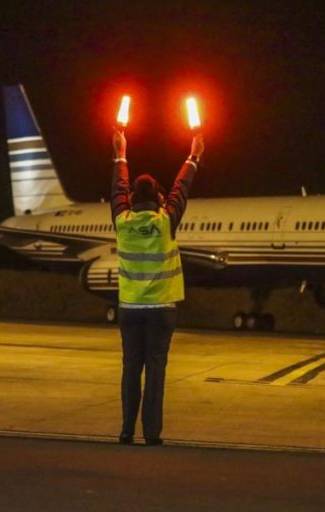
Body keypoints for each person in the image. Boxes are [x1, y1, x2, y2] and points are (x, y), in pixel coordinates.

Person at [110, 128, 204, 446]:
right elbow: (181, 189)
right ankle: (151, 433)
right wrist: (193, 156)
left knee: (130, 368)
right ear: (160, 199)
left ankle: (126, 430)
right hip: (162, 310)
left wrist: (120, 155)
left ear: (131, 199)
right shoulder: (166, 222)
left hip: (129, 309)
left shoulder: (122, 222)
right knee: (155, 370)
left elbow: (117, 189)